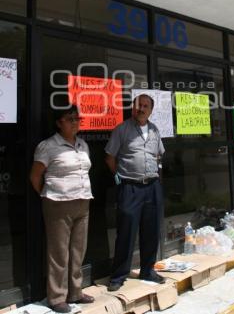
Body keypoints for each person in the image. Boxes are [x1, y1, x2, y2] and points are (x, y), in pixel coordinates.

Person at [30, 104, 95, 313]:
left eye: (77, 119)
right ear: (59, 123)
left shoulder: (83, 145)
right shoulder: (48, 146)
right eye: (70, 119)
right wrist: (48, 194)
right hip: (58, 203)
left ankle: (75, 291)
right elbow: (35, 176)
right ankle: (57, 297)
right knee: (58, 253)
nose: (75, 122)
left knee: (78, 250)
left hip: (83, 201)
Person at [105, 94, 165, 291]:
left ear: (151, 110)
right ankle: (119, 275)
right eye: (139, 105)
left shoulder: (155, 129)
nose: (142, 109)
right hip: (130, 187)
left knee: (151, 230)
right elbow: (110, 158)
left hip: (152, 186)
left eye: (146, 106)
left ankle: (147, 270)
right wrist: (119, 178)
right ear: (133, 107)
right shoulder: (122, 129)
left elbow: (158, 155)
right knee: (126, 231)